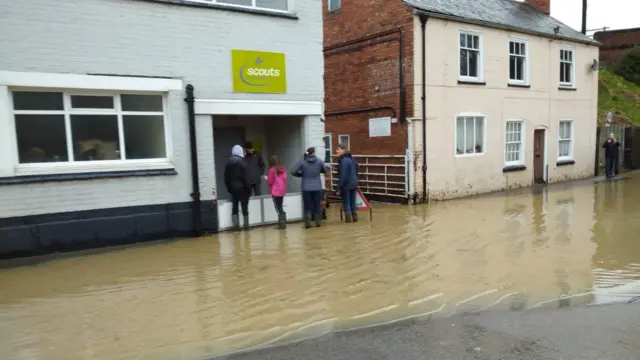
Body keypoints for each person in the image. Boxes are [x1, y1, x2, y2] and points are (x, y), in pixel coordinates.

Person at [291, 147, 330, 228]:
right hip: (317, 188)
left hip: (306, 188)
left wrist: (301, 174)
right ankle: (318, 223)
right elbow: (326, 170)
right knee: (317, 205)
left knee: (307, 206)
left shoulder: (302, 162)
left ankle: (308, 224)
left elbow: (292, 171)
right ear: (314, 152)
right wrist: (319, 171)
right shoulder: (319, 161)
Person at [224, 145, 251, 231]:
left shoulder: (228, 164)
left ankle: (236, 227)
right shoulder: (244, 163)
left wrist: (229, 188)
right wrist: (249, 189)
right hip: (243, 188)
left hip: (233, 189)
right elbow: (247, 178)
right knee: (244, 208)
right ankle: (246, 227)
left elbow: (226, 178)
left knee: (234, 207)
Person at [335, 143, 359, 223]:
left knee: (346, 203)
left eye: (338, 149)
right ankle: (355, 219)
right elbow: (357, 169)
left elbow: (343, 175)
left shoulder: (343, 160)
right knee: (353, 203)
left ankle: (348, 222)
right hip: (354, 183)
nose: (336, 151)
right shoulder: (352, 159)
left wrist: (338, 187)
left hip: (346, 185)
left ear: (344, 150)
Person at [267, 155, 288, 229]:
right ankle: (283, 223)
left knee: (278, 208)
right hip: (282, 191)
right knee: (280, 207)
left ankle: (282, 225)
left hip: (275, 191)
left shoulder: (272, 170)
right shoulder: (283, 168)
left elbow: (270, 181)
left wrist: (266, 178)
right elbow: (285, 178)